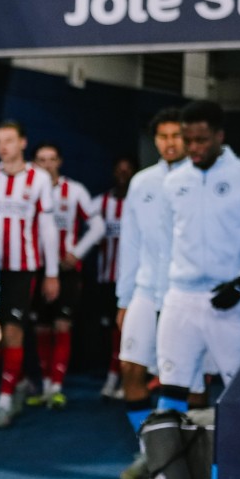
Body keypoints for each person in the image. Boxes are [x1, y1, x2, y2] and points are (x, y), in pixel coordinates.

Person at [150, 101, 240, 411]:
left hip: (230, 301)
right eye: (188, 140)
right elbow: (165, 246)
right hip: (180, 298)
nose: (193, 148)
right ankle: (170, 445)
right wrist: (161, 299)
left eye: (201, 140)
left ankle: (238, 446)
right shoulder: (174, 182)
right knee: (172, 387)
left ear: (219, 136)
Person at [117, 110, 188, 479]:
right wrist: (123, 299)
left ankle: (179, 458)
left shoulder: (198, 180)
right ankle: (150, 449)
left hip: (184, 294)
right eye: (163, 136)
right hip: (145, 289)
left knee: (185, 380)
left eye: (177, 135)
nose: (170, 142)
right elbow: (130, 243)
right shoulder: (142, 182)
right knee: (130, 369)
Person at [0, 121, 59, 429]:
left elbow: (48, 227)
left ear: (23, 143)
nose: (4, 147)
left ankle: (4, 400)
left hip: (23, 269)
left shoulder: (38, 178)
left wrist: (52, 273)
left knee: (14, 331)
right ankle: (21, 379)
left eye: (9, 140)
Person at [27, 144, 106, 409]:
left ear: (60, 161)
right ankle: (45, 385)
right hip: (37, 267)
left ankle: (57, 388)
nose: (47, 164)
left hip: (67, 270)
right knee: (41, 328)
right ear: (34, 163)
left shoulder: (74, 190)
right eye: (41, 160)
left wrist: (77, 253)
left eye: (52, 159)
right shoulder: (29, 190)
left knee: (62, 325)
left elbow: (98, 226)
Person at [93, 157, 134, 400]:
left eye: (127, 171)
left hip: (134, 281)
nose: (122, 175)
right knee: (112, 332)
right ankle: (112, 376)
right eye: (119, 170)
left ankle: (127, 379)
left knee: (130, 331)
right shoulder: (100, 203)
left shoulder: (139, 201)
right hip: (107, 278)